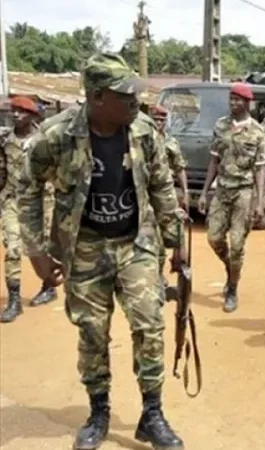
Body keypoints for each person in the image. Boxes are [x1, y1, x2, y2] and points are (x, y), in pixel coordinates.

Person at [16, 52, 187, 449]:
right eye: (125, 94)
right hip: (85, 248)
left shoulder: (143, 130)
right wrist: (36, 251)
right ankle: (98, 412)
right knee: (93, 333)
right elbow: (27, 187)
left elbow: (161, 185)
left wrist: (176, 242)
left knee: (150, 326)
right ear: (97, 97)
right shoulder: (57, 136)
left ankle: (152, 414)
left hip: (136, 243)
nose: (135, 101)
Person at [198, 83, 265, 313]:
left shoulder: (257, 132)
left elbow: (259, 168)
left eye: (238, 100)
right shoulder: (221, 125)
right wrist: (204, 192)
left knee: (237, 244)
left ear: (247, 103)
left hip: (243, 192)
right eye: (231, 99)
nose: (233, 103)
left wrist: (259, 201)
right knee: (213, 238)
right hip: (222, 189)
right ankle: (230, 268)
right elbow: (214, 160)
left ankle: (232, 289)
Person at [0, 95, 57, 323]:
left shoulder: (45, 140)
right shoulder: (5, 141)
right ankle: (14, 300)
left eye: (22, 111)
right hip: (13, 200)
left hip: (42, 201)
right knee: (13, 249)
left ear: (33, 116)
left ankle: (48, 286)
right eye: (14, 110)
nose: (16, 114)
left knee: (41, 248)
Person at [150, 104, 190, 286]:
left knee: (176, 228)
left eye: (162, 120)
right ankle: (157, 275)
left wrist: (185, 192)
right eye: (155, 120)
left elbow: (180, 168)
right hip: (145, 193)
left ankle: (179, 263)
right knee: (151, 235)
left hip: (166, 194)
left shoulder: (171, 142)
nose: (159, 123)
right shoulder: (142, 141)